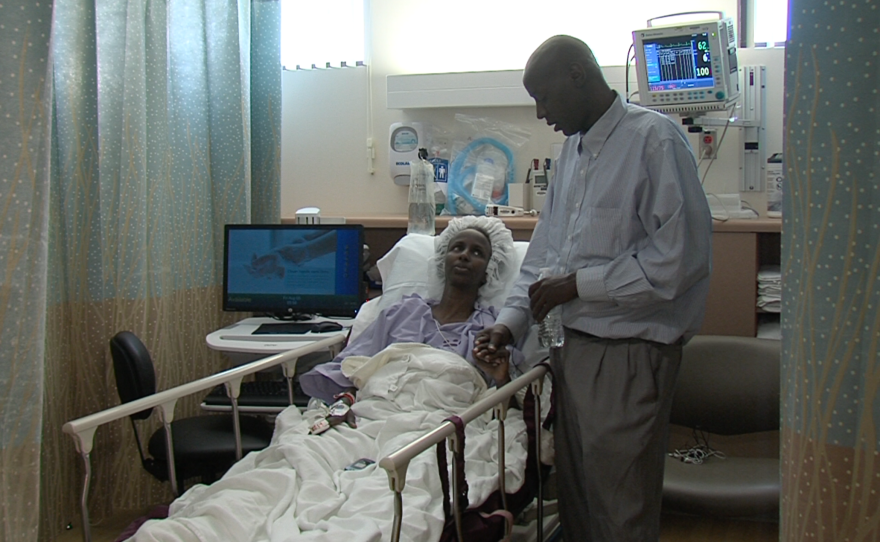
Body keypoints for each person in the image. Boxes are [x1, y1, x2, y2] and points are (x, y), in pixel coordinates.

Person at [474, 35, 712, 541]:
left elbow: (679, 261)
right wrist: (509, 323)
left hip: (628, 353)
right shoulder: (573, 154)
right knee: (580, 500)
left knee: (619, 505)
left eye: (544, 96)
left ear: (579, 75)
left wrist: (579, 285)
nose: (540, 113)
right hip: (570, 350)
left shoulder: (654, 141)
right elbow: (545, 255)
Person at [300, 215, 524, 429]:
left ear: (489, 270)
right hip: (375, 413)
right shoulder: (402, 313)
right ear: (442, 260)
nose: (464, 255)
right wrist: (345, 402)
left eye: (477, 252)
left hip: (445, 424)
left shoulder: (490, 329)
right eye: (457, 248)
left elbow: (509, 412)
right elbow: (351, 368)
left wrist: (501, 377)